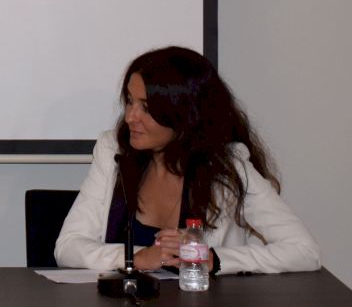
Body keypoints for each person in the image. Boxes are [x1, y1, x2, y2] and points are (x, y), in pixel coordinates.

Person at [55, 46, 320, 275]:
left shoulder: (228, 166)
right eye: (130, 101)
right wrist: (137, 258)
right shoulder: (113, 151)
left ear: (184, 115)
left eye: (146, 108)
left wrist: (213, 258)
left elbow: (304, 251)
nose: (130, 117)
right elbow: (68, 248)